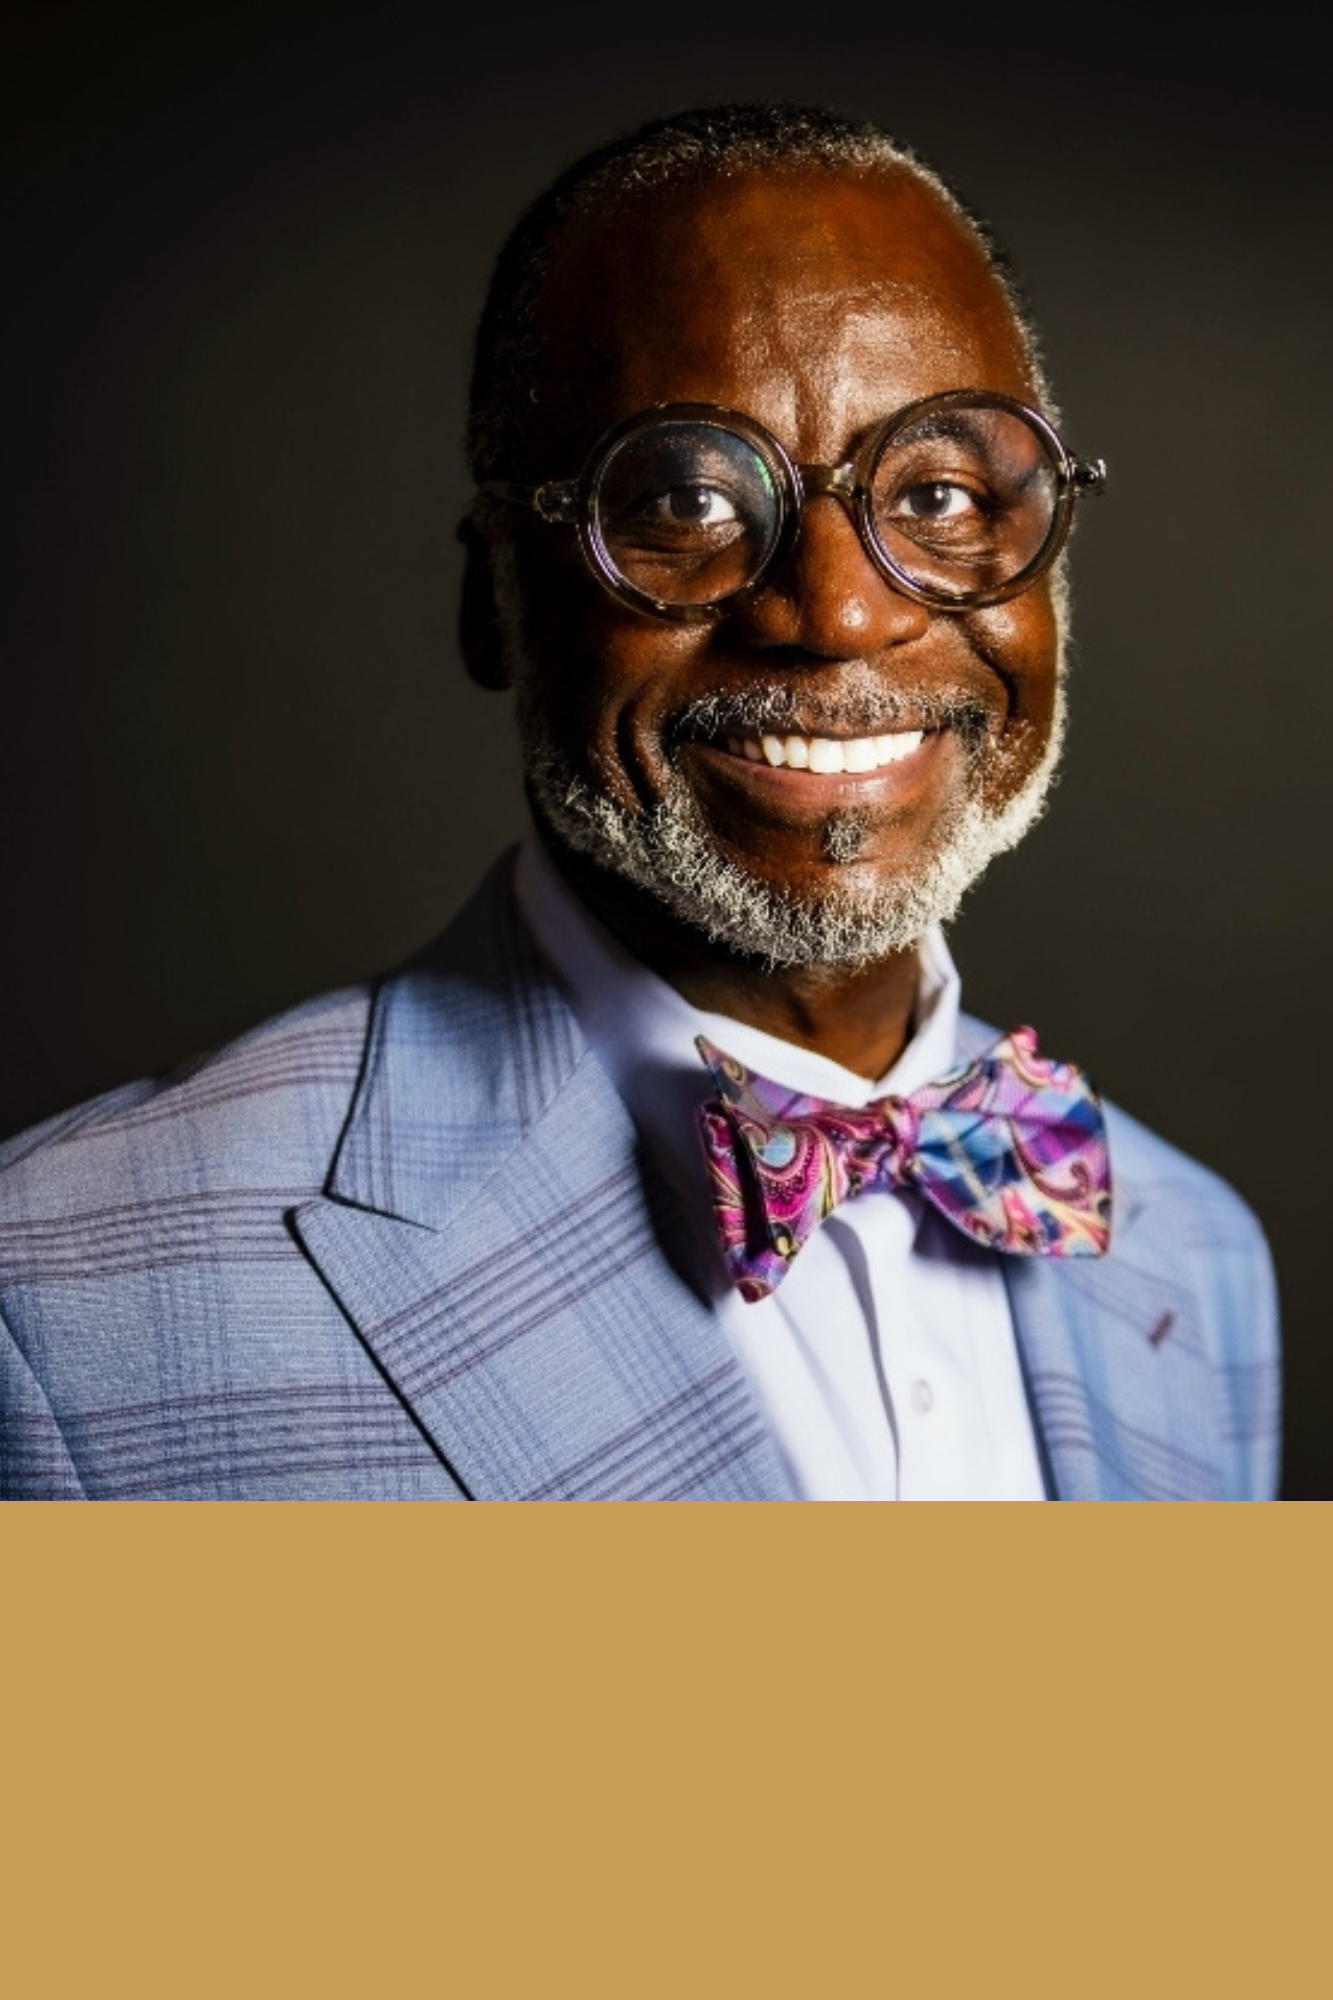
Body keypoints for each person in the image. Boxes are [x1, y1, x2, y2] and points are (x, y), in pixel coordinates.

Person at [0, 104, 1279, 1501]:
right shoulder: (59, 1312)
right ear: (493, 598)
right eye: (687, 501)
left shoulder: (1192, 1261)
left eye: (942, 494)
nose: (840, 613)